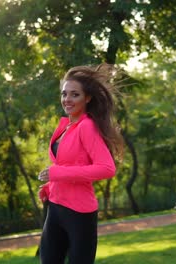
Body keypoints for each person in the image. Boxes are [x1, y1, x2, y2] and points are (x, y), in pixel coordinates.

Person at [37, 64, 124, 264]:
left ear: (87, 98)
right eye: (64, 94)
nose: (67, 99)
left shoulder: (87, 127)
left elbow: (106, 168)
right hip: (56, 207)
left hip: (79, 213)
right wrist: (51, 185)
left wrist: (57, 174)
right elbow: (70, 164)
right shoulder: (66, 127)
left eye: (74, 95)